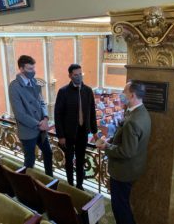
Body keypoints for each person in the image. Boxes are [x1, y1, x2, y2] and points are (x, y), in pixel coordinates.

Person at [97, 80, 151, 224]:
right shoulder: (142, 112)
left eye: (124, 92)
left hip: (124, 171)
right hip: (135, 166)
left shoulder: (133, 121)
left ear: (132, 95)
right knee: (124, 202)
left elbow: (126, 151)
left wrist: (106, 147)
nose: (121, 94)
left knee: (120, 207)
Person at [54, 64, 98, 190]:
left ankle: (79, 185)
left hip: (83, 132)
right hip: (68, 134)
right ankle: (70, 184)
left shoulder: (88, 91)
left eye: (80, 74)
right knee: (68, 160)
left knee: (80, 160)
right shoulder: (63, 92)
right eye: (75, 75)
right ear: (70, 76)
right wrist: (61, 136)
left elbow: (92, 112)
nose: (79, 77)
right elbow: (58, 115)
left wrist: (94, 132)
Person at [9, 55, 53, 176]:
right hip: (28, 130)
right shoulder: (14, 87)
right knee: (30, 160)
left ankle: (50, 180)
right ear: (21, 69)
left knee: (48, 153)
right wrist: (38, 124)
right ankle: (26, 184)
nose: (33, 72)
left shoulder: (34, 81)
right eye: (29, 69)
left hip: (41, 127)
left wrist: (45, 118)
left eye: (33, 68)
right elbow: (19, 113)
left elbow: (42, 102)